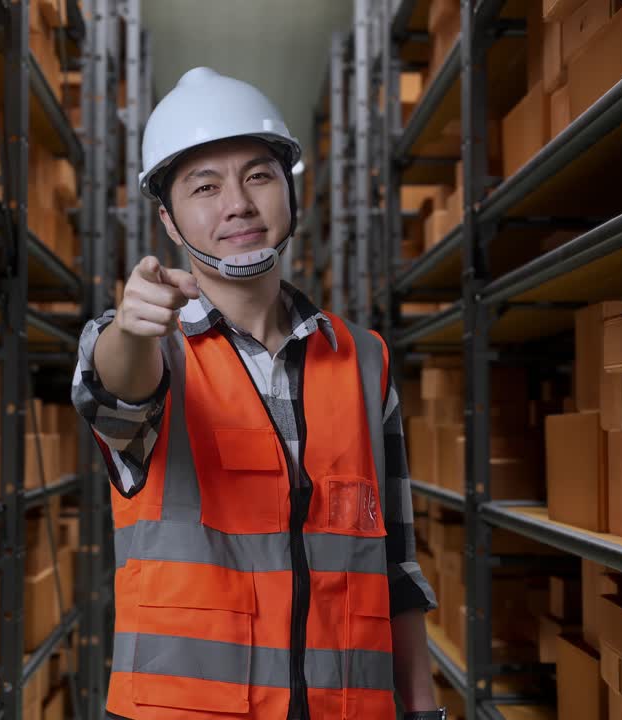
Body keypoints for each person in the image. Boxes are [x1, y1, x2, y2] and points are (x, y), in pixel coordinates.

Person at [73, 67, 443, 720]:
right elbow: (116, 391)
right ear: (169, 220)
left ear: (291, 193)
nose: (238, 204)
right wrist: (130, 329)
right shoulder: (151, 350)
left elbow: (395, 565)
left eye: (259, 176)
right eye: (205, 187)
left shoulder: (363, 360)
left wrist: (423, 709)